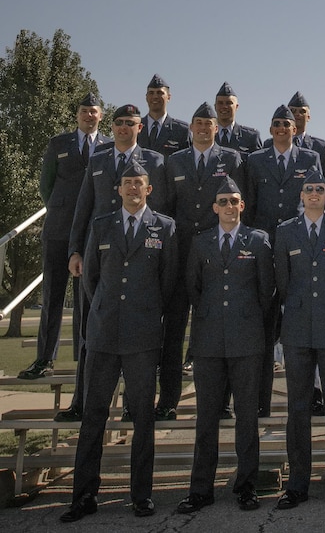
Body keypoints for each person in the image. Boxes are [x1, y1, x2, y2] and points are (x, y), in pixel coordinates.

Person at [59, 162, 178, 522]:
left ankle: (141, 495)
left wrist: (146, 311)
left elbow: (168, 281)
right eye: (126, 183)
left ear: (149, 189)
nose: (132, 189)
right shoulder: (102, 225)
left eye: (138, 183)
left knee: (143, 416)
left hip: (142, 336)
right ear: (119, 189)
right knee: (94, 415)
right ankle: (83, 496)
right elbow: (91, 281)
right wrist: (107, 311)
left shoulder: (166, 228)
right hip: (104, 333)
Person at [57, 104, 166, 421]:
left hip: (139, 257)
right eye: (118, 123)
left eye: (129, 123)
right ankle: (82, 401)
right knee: (88, 332)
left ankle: (135, 403)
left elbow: (160, 213)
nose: (122, 128)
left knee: (138, 336)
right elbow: (84, 207)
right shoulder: (98, 160)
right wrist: (75, 250)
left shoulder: (155, 162)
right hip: (99, 259)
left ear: (139, 127)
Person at [176, 178, 274, 515]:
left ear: (242, 206)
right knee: (207, 419)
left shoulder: (258, 241)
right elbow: (194, 288)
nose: (229, 206)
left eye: (235, 200)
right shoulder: (201, 243)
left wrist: (245, 320)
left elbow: (266, 292)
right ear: (214, 207)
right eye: (223, 201)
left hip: (247, 341)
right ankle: (201, 489)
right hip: (208, 342)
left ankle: (246, 486)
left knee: (247, 418)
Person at [274, 172, 325, 509]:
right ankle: (297, 483)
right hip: (296, 328)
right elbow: (282, 280)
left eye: (319, 189)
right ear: (301, 194)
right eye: (308, 189)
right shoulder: (284, 231)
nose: (313, 194)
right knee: (298, 408)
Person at [159, 102, 244, 419]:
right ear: (191, 128)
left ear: (215, 128)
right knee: (173, 331)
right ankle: (168, 401)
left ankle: (221, 402)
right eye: (198, 123)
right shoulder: (175, 161)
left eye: (209, 123)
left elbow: (236, 208)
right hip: (180, 253)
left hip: (216, 254)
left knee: (220, 331)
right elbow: (166, 208)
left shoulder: (232, 159)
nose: (204, 128)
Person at [19, 92, 111, 381]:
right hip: (58, 231)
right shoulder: (58, 144)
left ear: (101, 116)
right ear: (77, 114)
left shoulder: (109, 147)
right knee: (53, 297)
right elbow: (45, 185)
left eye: (94, 111)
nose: (89, 115)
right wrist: (60, 212)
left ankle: (86, 358)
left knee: (86, 298)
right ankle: (45, 358)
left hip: (91, 233)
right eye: (84, 110)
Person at [244, 105, 322, 416]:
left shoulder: (309, 159)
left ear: (295, 129)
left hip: (297, 248)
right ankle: (260, 398)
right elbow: (247, 205)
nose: (281, 129)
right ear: (270, 128)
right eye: (276, 124)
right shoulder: (255, 160)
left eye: (286, 124)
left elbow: (315, 197)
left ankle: (312, 393)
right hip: (263, 248)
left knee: (305, 322)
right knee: (263, 326)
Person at [264, 92, 325, 178]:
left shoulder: (319, 146)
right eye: (293, 111)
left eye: (302, 111)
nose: (297, 114)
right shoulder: (269, 144)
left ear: (308, 117)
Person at [137, 74, 190, 159]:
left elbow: (188, 162)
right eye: (151, 93)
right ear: (146, 97)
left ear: (168, 97)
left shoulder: (181, 130)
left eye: (159, 93)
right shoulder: (134, 127)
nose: (155, 96)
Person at [214, 82, 262, 158]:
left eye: (229, 103)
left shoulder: (250, 137)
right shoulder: (206, 136)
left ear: (236, 107)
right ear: (215, 107)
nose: (224, 106)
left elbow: (258, 166)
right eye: (220, 103)